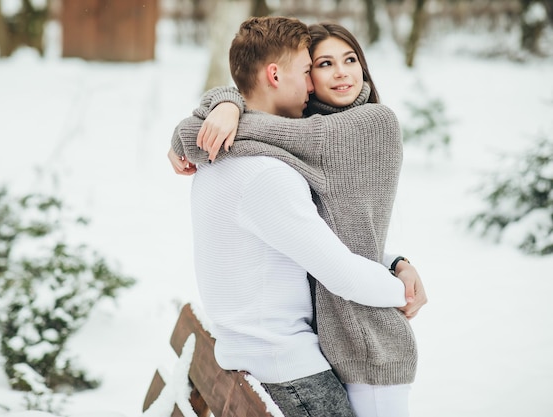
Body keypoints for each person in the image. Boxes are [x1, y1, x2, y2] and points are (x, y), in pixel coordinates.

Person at [169, 21, 427, 417]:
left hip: (252, 356)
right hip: (288, 368)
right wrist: (403, 294)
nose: (313, 85)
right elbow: (344, 274)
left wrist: (221, 105)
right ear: (275, 74)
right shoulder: (267, 175)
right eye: (311, 70)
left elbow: (323, 231)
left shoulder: (218, 157)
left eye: (349, 60)